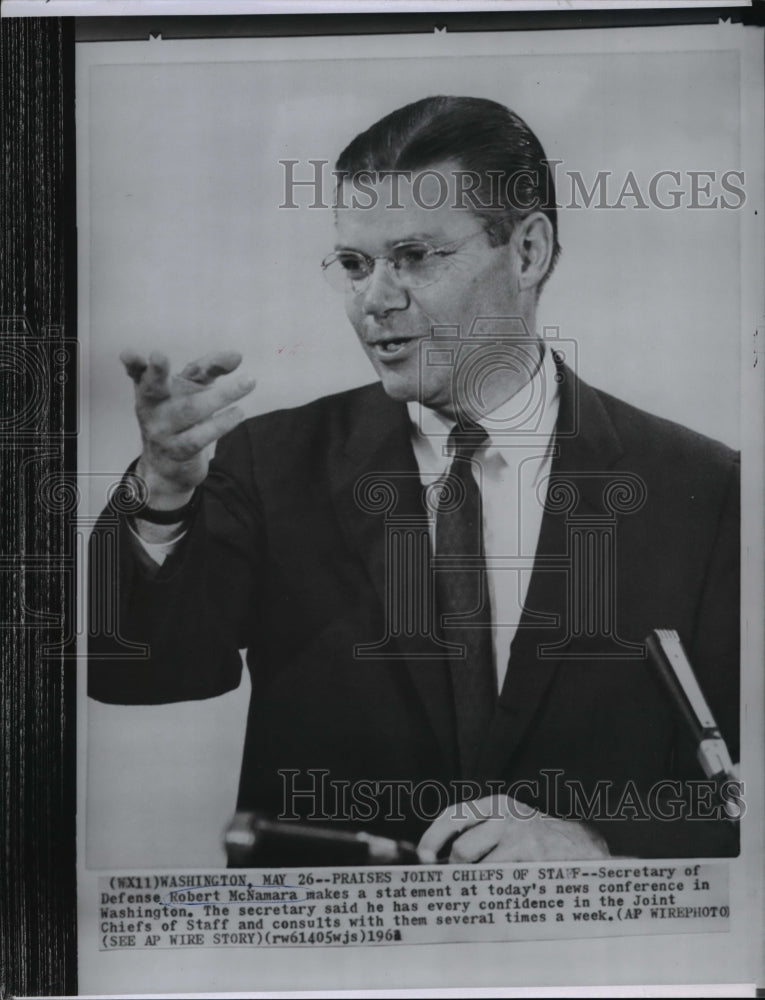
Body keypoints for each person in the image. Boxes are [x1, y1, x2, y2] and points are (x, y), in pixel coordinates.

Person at [88, 96, 740, 862]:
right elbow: (141, 673)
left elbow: (739, 795)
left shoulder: (702, 488)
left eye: (414, 257)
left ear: (527, 251)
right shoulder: (270, 462)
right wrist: (162, 492)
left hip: (586, 961)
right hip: (334, 962)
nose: (375, 300)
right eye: (357, 265)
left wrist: (598, 843)